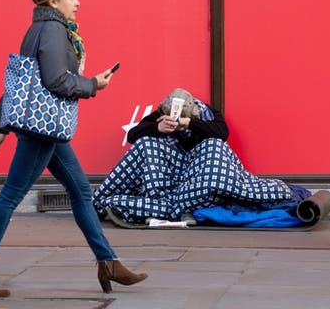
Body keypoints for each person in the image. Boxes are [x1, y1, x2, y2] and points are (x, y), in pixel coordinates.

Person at [0, 0, 147, 298]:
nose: (78, 2)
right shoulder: (52, 30)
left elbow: (21, 82)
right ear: (54, 0)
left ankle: (108, 262)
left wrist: (1, 125)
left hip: (45, 128)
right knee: (11, 196)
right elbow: (55, 81)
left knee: (81, 193)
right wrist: (94, 85)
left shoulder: (39, 28)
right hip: (43, 130)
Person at [93, 88, 293, 223]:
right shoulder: (159, 115)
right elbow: (133, 136)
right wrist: (158, 127)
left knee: (213, 145)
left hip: (200, 178)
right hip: (170, 178)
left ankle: (164, 208)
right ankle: (155, 203)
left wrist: (189, 124)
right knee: (146, 143)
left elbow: (221, 134)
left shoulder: (208, 114)